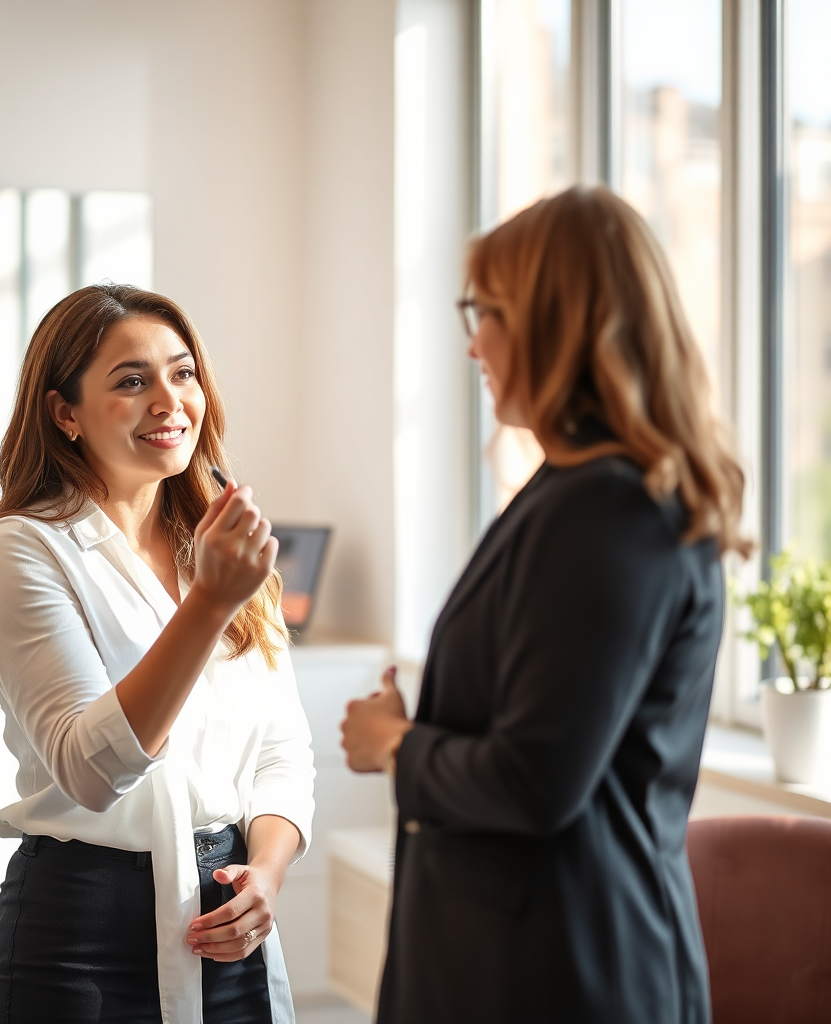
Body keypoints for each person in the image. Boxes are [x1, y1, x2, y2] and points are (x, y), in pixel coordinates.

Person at [340, 187, 749, 1023]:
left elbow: (535, 780)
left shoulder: (609, 510)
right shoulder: (577, 493)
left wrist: (396, 746)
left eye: (483, 312)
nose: (472, 345)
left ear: (553, 323)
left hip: (562, 971)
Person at [0, 284, 314, 1024]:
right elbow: (91, 768)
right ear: (65, 413)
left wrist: (265, 876)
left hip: (230, 922)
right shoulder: (22, 548)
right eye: (132, 380)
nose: (169, 400)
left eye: (182, 374)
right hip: (81, 938)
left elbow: (284, 750)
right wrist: (209, 605)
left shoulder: (219, 541)